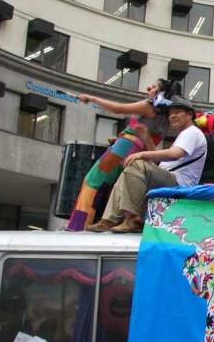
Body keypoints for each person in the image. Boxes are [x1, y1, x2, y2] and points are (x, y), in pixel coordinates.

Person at [66, 78, 181, 231]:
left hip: (125, 146)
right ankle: (105, 222)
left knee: (93, 181)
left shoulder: (149, 107)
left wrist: (92, 98)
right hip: (138, 150)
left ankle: (78, 225)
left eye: (153, 87)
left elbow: (117, 108)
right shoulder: (165, 116)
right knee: (113, 186)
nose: (149, 89)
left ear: (162, 92)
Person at [86, 96, 207, 233]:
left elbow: (174, 154)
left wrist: (142, 154)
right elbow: (161, 163)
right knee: (128, 170)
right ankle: (109, 220)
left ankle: (134, 218)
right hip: (170, 179)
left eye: (177, 112)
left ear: (190, 114)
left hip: (180, 184)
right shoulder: (185, 134)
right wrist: (147, 140)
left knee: (137, 164)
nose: (172, 116)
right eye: (170, 114)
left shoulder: (192, 132)